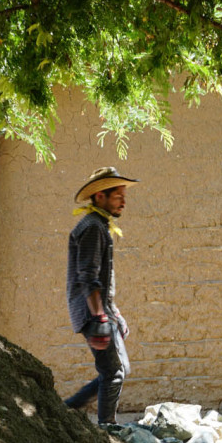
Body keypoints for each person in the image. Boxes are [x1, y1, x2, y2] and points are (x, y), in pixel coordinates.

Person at [65, 165, 139, 425]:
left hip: (100, 310)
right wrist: (100, 318)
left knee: (119, 369)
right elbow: (87, 276)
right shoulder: (92, 227)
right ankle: (108, 429)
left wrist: (114, 313)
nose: (123, 201)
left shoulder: (98, 225)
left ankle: (68, 409)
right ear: (100, 197)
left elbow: (101, 280)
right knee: (114, 373)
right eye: (118, 196)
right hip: (92, 312)